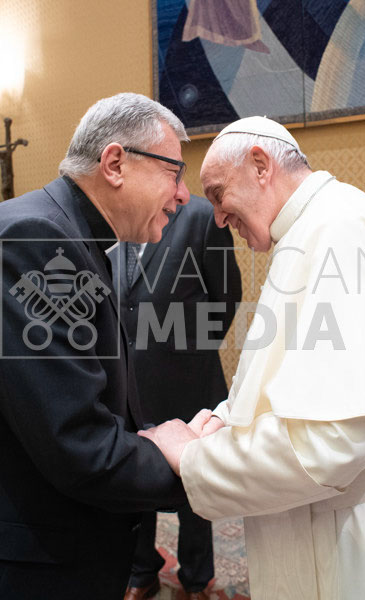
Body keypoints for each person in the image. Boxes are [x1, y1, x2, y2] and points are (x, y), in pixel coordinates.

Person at [139, 116, 365, 600]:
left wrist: (193, 457)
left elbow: (332, 444)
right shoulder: (309, 230)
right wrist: (222, 421)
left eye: (218, 194)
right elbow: (283, 381)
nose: (218, 218)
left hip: (349, 542)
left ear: (261, 165)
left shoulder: (338, 232)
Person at [0, 92, 207, 600]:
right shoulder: (39, 239)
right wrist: (188, 461)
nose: (183, 195)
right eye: (174, 173)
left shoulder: (69, 234)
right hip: (40, 564)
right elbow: (77, 442)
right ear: (115, 164)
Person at [110, 195, 242, 600]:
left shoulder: (200, 218)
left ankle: (197, 579)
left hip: (188, 380)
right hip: (128, 382)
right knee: (133, 477)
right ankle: (141, 570)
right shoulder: (117, 213)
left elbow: (226, 297)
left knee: (193, 483)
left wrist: (188, 350)